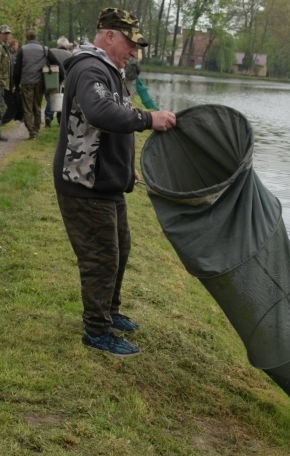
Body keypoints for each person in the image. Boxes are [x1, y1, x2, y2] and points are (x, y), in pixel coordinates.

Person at [53, 7, 176, 356]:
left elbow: (108, 128)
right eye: (131, 43)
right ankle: (96, 332)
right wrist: (149, 118)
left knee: (119, 252)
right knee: (101, 258)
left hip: (108, 182)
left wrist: (125, 169)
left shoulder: (110, 70)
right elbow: (100, 113)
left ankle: (111, 312)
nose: (134, 52)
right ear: (109, 36)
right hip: (85, 186)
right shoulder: (90, 68)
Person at [13, 29, 62, 140]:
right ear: (37, 38)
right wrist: (61, 77)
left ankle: (31, 131)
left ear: (27, 38)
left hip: (26, 82)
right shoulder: (45, 49)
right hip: (40, 82)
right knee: (37, 106)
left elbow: (17, 70)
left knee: (27, 107)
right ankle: (36, 129)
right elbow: (57, 64)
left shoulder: (22, 50)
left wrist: (16, 83)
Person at [45, 37, 73, 127]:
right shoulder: (70, 54)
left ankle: (48, 116)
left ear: (58, 44)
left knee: (51, 97)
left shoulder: (51, 51)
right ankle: (60, 118)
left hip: (51, 78)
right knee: (63, 99)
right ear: (67, 45)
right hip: (65, 80)